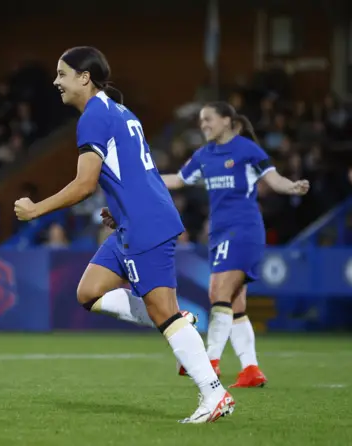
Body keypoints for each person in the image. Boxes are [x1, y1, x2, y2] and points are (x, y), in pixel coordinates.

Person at [14, 46, 234, 423]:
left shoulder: (94, 116)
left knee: (162, 312)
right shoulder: (120, 112)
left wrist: (36, 209)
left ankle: (213, 393)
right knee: (89, 291)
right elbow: (135, 171)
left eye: (62, 74)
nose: (56, 81)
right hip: (135, 220)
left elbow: (84, 184)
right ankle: (175, 318)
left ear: (84, 78)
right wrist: (118, 210)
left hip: (145, 223)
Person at [159, 102, 310, 388]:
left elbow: (272, 177)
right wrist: (146, 178)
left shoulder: (247, 150)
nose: (203, 125)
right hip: (218, 233)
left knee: (218, 292)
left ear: (227, 121)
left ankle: (209, 362)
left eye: (208, 119)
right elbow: (179, 180)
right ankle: (251, 370)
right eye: (201, 121)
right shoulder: (203, 155)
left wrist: (291, 186)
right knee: (235, 305)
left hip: (243, 230)